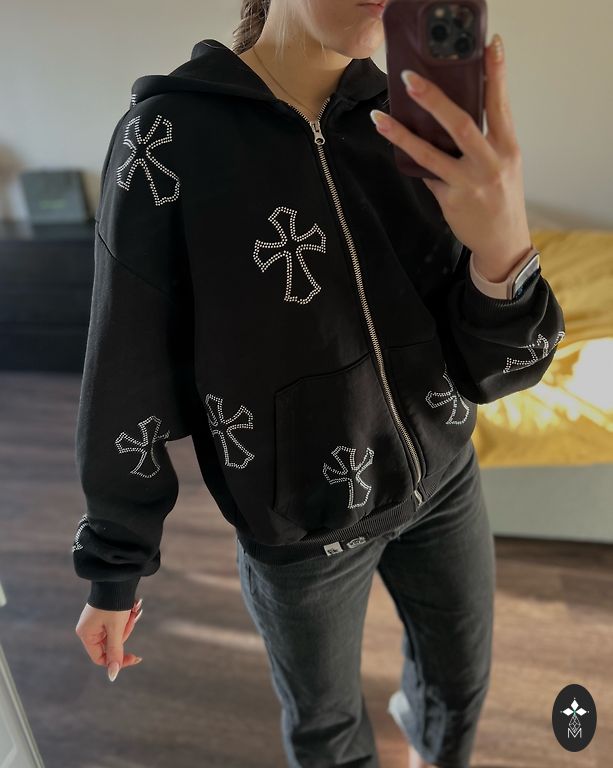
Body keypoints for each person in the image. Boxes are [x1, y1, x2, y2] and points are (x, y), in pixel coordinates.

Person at [73, 1, 566, 766]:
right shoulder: (166, 138)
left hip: (442, 482)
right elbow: (125, 363)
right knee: (326, 730)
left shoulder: (407, 117)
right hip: (300, 525)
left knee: (459, 685)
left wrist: (503, 250)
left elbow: (496, 371)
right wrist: (115, 562)